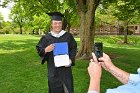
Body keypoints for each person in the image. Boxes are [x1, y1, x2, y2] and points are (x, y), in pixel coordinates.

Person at [36, 12, 77, 93]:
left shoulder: (68, 36)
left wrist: (71, 60)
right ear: (51, 24)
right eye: (55, 23)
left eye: (59, 23)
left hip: (66, 70)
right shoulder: (46, 37)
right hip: (53, 70)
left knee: (67, 90)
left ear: (62, 24)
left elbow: (73, 48)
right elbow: (39, 49)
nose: (57, 25)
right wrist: (45, 50)